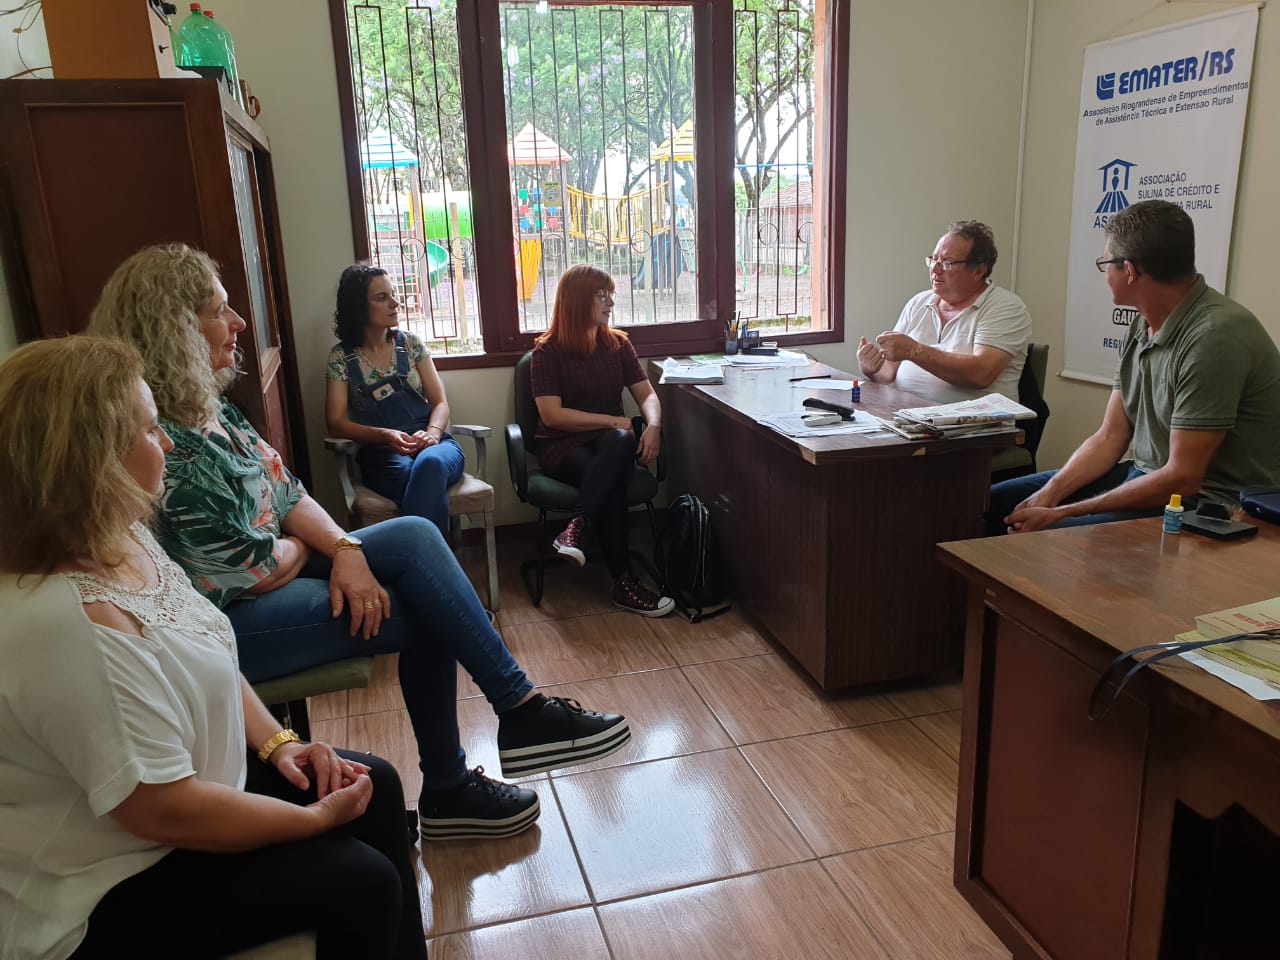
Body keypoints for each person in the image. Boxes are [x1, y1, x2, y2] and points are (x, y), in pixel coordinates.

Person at [88, 244, 630, 844]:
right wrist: (306, 547)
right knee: (431, 609)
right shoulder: (164, 442)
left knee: (416, 535)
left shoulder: (214, 411)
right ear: (174, 329)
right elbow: (252, 570)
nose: (239, 322)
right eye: (221, 311)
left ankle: (514, 715)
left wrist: (344, 550)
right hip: (226, 622)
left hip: (276, 567)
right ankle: (461, 777)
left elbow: (290, 494)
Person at [0, 336, 425, 960]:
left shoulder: (122, 537)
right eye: (150, 431)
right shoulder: (64, 622)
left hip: (189, 800)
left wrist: (282, 745)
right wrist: (311, 821)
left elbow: (211, 648)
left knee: (377, 785)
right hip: (110, 880)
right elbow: (162, 812)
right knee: (364, 884)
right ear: (94, 461)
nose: (168, 444)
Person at [990, 199, 1280, 535]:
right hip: (1147, 476)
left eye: (1105, 264)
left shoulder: (1214, 337)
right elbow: (1110, 436)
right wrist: (1049, 495)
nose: (1104, 274)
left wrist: (1064, 512)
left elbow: (1183, 477)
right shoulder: (1143, 324)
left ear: (1128, 271)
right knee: (992, 501)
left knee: (1050, 538)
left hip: (1209, 505)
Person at [530, 264, 675, 617]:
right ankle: (624, 584)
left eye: (611, 294)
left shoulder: (617, 344)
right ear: (578, 300)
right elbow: (552, 415)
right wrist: (612, 420)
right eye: (601, 295)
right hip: (561, 445)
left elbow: (647, 395)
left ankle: (576, 527)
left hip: (610, 444)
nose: (610, 302)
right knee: (614, 474)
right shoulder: (547, 352)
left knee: (621, 444)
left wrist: (654, 425)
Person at [325, 264, 463, 539]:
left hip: (435, 445)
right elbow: (336, 423)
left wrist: (432, 434)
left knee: (429, 465)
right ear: (358, 307)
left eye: (393, 294)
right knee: (419, 479)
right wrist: (385, 435)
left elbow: (440, 403)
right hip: (383, 456)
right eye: (382, 297)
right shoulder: (340, 358)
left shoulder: (411, 344)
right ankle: (437, 554)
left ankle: (414, 558)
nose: (395, 303)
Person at [857, 220, 1031, 403]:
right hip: (902, 414)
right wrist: (871, 369)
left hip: (970, 420)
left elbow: (981, 374)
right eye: (934, 259)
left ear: (978, 271)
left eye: (947, 262)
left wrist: (914, 350)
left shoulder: (1006, 307)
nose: (935, 269)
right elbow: (889, 373)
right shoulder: (919, 302)